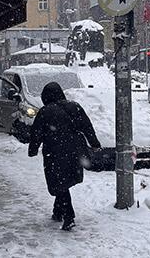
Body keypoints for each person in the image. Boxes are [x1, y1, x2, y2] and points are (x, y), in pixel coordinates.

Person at [28, 82, 101, 231]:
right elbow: (87, 126)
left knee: (59, 183)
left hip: (54, 152)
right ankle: (58, 211)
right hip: (76, 152)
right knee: (63, 182)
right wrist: (94, 143)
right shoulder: (75, 107)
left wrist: (33, 149)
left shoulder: (45, 112)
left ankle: (69, 216)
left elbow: (36, 133)